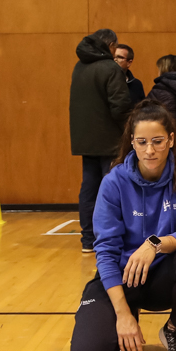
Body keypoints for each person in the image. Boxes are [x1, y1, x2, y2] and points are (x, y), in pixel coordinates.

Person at [70, 102, 176, 351]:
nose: (150, 150)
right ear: (132, 143)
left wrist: (154, 244)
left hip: (162, 278)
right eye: (142, 142)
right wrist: (122, 314)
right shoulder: (114, 182)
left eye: (158, 141)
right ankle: (123, 316)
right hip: (122, 280)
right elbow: (106, 251)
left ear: (171, 140)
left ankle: (175, 331)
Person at [69, 28, 134, 252]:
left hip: (86, 140)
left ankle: (88, 239)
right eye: (115, 47)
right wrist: (130, 132)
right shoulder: (110, 69)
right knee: (114, 188)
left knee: (89, 188)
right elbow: (120, 108)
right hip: (111, 141)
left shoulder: (79, 67)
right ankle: (110, 239)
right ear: (109, 46)